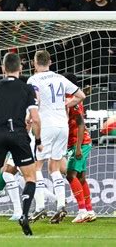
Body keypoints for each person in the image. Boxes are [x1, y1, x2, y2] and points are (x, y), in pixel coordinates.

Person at [0, 52, 42, 236]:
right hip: (19, 134)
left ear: (3, 68)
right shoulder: (27, 89)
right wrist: (38, 140)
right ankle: (25, 215)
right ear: (21, 68)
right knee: (30, 178)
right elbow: (35, 119)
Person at [27, 50, 86, 224]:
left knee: (36, 167)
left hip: (46, 125)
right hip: (62, 126)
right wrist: (67, 103)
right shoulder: (60, 78)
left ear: (34, 63)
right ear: (50, 62)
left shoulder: (34, 79)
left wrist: (29, 118)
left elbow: (35, 102)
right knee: (54, 166)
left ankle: (39, 207)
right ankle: (60, 205)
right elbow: (81, 96)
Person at [63, 73, 97, 223]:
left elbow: (81, 124)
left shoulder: (73, 101)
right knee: (81, 177)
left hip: (80, 143)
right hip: (78, 142)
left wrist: (77, 148)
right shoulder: (71, 98)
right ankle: (90, 210)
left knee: (70, 175)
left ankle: (82, 210)